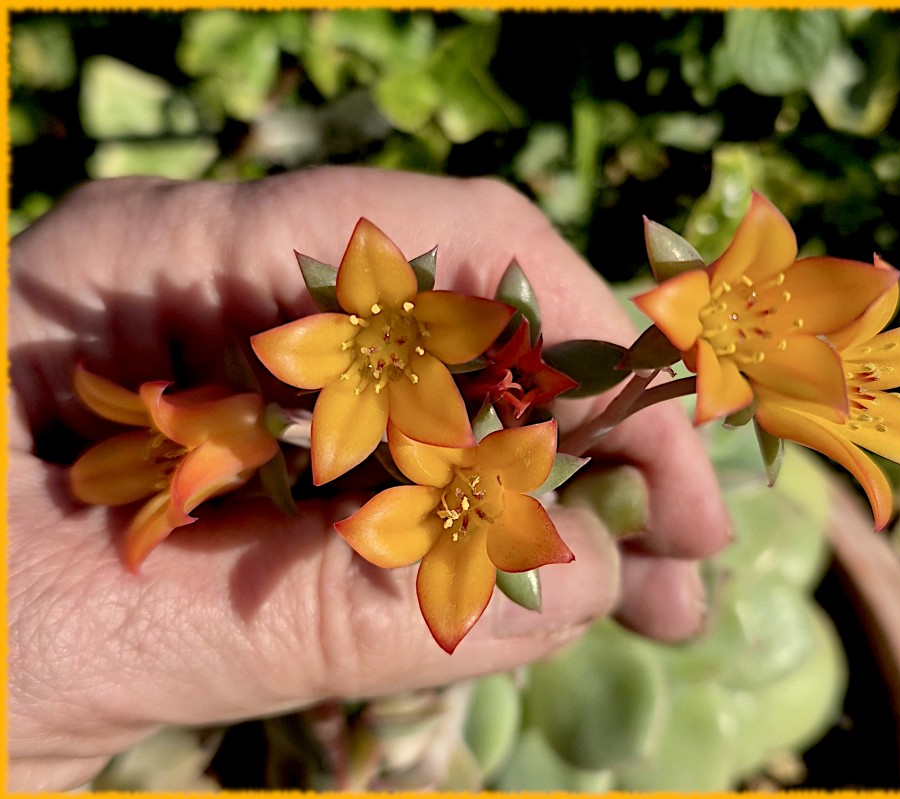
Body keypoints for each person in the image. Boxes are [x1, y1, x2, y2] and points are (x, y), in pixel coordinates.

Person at [8, 167, 730, 791]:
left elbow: (453, 442)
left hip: (447, 440)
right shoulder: (414, 431)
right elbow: (413, 448)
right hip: (408, 429)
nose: (390, 341)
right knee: (288, 434)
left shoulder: (450, 437)